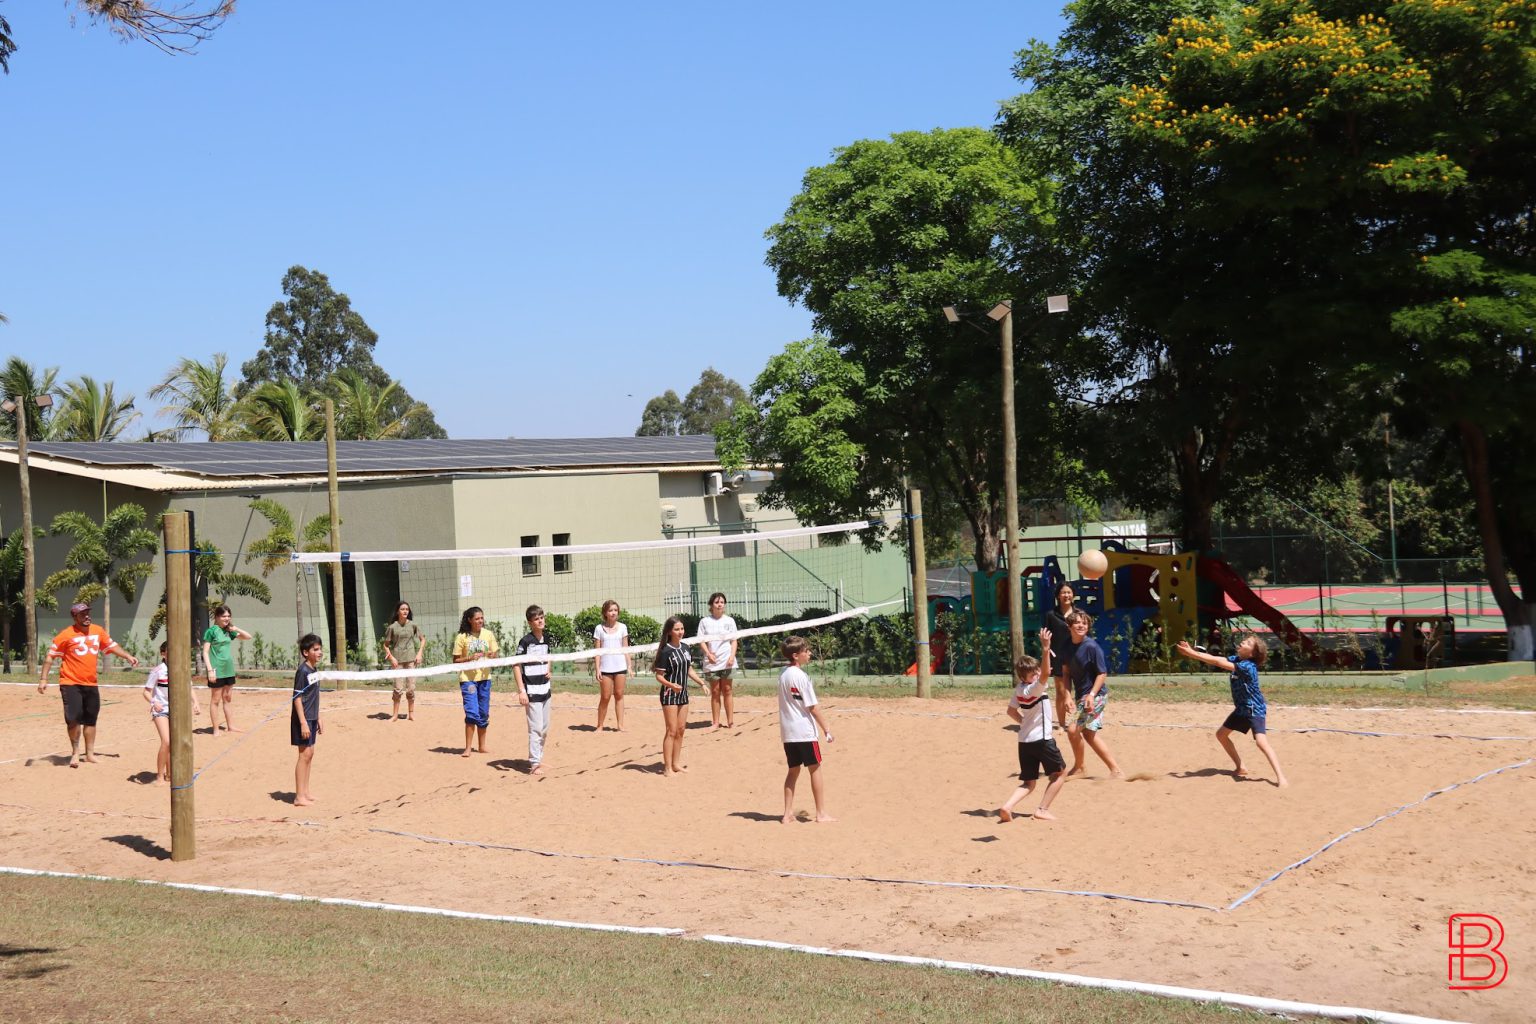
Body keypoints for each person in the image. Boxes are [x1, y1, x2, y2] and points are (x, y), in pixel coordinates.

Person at [1176, 638, 1289, 787]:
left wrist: (1191, 654)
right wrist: (1192, 651)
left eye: (1248, 643)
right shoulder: (1237, 659)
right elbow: (1217, 659)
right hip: (1241, 709)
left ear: (1252, 654)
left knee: (1261, 743)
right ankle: (1241, 767)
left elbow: (1217, 663)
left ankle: (1281, 778)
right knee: (1221, 735)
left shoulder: (1248, 666)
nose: (1243, 642)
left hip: (1254, 709)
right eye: (1245, 640)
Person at [38, 602, 139, 767]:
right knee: (73, 719)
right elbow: (50, 657)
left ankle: (90, 754)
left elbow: (112, 646)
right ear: (75, 617)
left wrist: (127, 656)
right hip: (70, 683)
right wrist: (43, 679)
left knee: (91, 719)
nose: (87, 616)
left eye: (87, 613)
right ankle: (75, 752)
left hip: (91, 683)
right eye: (82, 614)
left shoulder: (98, 631)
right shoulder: (66, 635)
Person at [997, 629, 1068, 822]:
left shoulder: (1019, 689)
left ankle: (1007, 807)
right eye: (1033, 673)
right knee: (1060, 773)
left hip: (1024, 741)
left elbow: (1011, 711)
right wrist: (1046, 648)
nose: (1037, 674)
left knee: (1029, 783)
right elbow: (1046, 673)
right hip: (1042, 740)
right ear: (1025, 677)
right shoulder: (1035, 688)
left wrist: (1024, 722)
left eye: (1036, 671)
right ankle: (1042, 809)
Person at [777, 636, 835, 823]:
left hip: (788, 732)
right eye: (806, 651)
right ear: (796, 655)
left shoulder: (783, 674)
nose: (809, 653)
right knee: (815, 769)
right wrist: (826, 728)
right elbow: (813, 707)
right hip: (804, 732)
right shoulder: (802, 677)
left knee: (793, 771)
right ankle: (821, 813)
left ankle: (787, 814)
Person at [1063, 610, 1122, 778]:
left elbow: (1102, 673)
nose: (1081, 625)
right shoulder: (1066, 646)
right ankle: (1115, 770)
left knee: (1072, 730)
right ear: (1069, 626)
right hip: (1082, 696)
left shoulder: (1092, 647)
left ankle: (1080, 768)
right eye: (1077, 622)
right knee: (1088, 734)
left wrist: (1091, 694)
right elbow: (1066, 673)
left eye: (1085, 623)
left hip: (1096, 696)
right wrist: (1067, 696)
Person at [143, 640, 201, 784]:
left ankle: (170, 774)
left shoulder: (182, 668)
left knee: (174, 743)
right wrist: (153, 702)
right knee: (167, 741)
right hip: (161, 710)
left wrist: (195, 702)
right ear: (163, 653)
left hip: (178, 710)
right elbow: (146, 692)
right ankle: (159, 776)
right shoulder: (158, 670)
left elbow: (189, 687)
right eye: (170, 651)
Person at [653, 615, 704, 777]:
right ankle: (667, 768)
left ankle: (675, 764)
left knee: (681, 730)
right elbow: (659, 676)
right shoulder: (665, 651)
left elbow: (689, 669)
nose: (680, 632)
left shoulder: (685, 647)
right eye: (677, 629)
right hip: (669, 694)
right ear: (669, 631)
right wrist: (671, 685)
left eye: (682, 629)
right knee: (671, 730)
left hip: (683, 694)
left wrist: (701, 683)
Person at [452, 606, 499, 758]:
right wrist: (469, 658)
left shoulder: (488, 634)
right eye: (477, 618)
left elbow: (495, 655)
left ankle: (482, 746)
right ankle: (468, 748)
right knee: (472, 712)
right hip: (468, 680)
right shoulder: (462, 637)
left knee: (483, 712)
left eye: (481, 618)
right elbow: (455, 660)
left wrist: (491, 655)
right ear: (469, 620)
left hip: (485, 679)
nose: (480, 621)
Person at [513, 604, 554, 776]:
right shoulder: (526, 641)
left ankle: (538, 758)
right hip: (531, 691)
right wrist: (521, 690)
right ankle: (535, 763)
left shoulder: (547, 638)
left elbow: (549, 656)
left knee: (544, 729)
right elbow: (516, 665)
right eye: (536, 619)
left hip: (545, 689)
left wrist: (549, 668)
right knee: (535, 728)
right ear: (530, 623)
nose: (540, 621)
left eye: (542, 617)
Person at [201, 605, 252, 736]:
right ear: (217, 617)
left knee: (227, 698)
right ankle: (216, 729)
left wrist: (236, 629)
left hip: (228, 669)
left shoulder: (229, 630)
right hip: (216, 669)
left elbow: (248, 637)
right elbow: (205, 652)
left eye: (229, 616)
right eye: (224, 616)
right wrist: (210, 670)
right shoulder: (211, 631)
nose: (227, 618)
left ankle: (231, 726)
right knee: (215, 700)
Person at [291, 633, 324, 807]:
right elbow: (297, 698)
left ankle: (305, 792)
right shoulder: (303, 671)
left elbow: (314, 696)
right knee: (303, 755)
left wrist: (318, 716)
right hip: (302, 719)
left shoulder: (314, 670)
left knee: (310, 754)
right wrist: (303, 722)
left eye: (320, 649)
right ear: (306, 652)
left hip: (311, 717)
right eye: (315, 649)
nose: (320, 652)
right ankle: (299, 797)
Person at [697, 592, 739, 730]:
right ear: (711, 605)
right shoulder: (704, 621)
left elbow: (734, 640)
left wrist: (732, 656)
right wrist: (708, 654)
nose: (719, 604)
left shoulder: (730, 621)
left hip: (727, 660)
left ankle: (730, 722)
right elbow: (701, 640)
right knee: (715, 691)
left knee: (727, 690)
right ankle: (715, 722)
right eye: (716, 602)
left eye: (722, 602)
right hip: (712, 661)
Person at [382, 600, 425, 722]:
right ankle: (395, 715)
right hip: (398, 662)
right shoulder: (392, 627)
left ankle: (411, 714)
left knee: (411, 689)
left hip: (411, 660)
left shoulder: (413, 625)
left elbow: (422, 639)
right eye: (402, 609)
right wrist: (391, 657)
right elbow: (385, 645)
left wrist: (419, 653)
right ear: (398, 612)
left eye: (407, 609)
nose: (405, 611)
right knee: (397, 689)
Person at [592, 599, 630, 732]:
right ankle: (600, 725)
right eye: (610, 610)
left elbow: (626, 648)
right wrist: (597, 669)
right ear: (605, 613)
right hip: (605, 667)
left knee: (619, 694)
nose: (613, 613)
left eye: (615, 610)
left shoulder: (623, 627)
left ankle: (620, 725)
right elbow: (597, 652)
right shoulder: (599, 628)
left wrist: (629, 666)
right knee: (605, 696)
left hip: (620, 666)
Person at [1044, 581, 1077, 727]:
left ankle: (1080, 723)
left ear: (1073, 595)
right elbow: (1045, 636)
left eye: (1069, 592)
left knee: (1081, 690)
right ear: (1058, 595)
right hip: (1058, 658)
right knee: (1061, 691)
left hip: (1076, 656)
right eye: (1063, 592)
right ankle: (1062, 725)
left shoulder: (1079, 614)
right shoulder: (1051, 615)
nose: (1066, 595)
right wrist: (1047, 653)